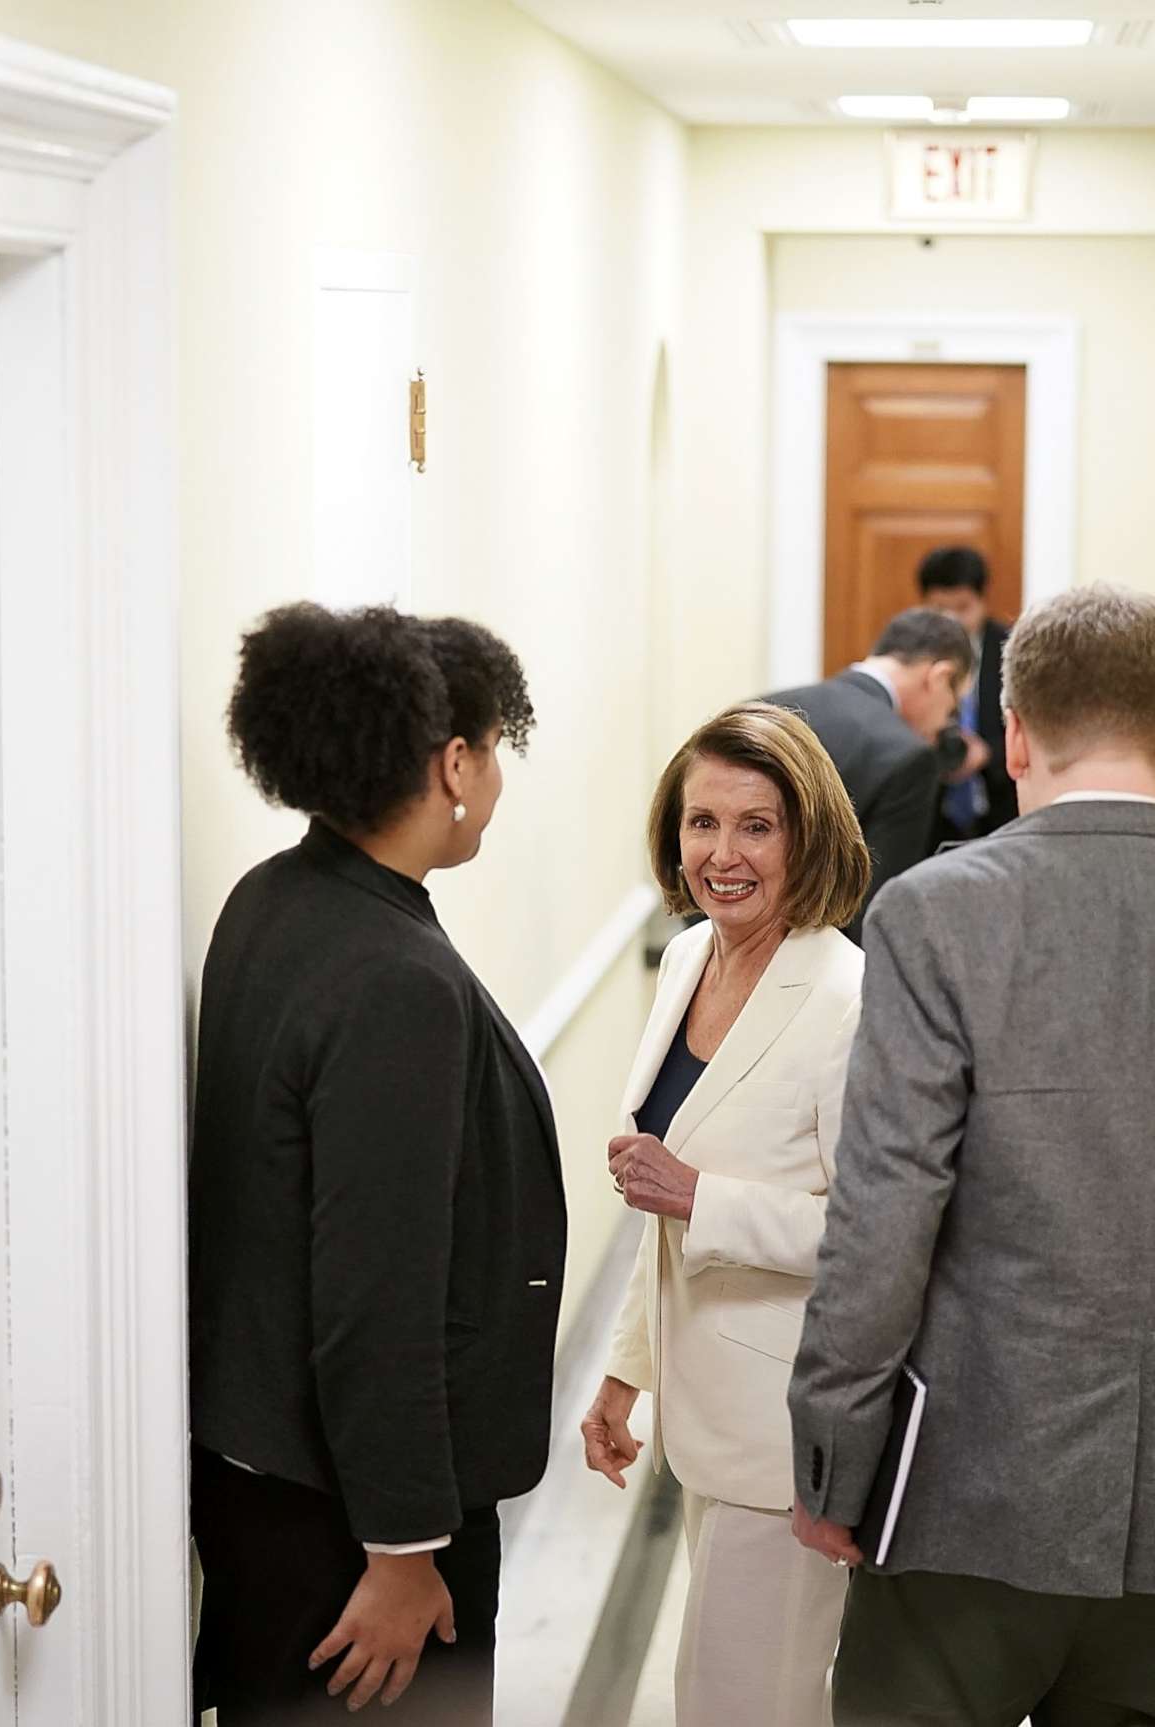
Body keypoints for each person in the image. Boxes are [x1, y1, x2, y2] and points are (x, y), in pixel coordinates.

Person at [787, 586, 1155, 1727]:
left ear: (1013, 733)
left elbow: (881, 1220)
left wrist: (831, 1461)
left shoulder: (933, 915)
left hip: (969, 1495)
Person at [188, 604, 566, 1724]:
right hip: (353, 1530)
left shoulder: (276, 896)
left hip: (267, 1478)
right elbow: (377, 1289)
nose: (496, 775)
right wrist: (405, 1551)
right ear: (455, 762)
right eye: (493, 748)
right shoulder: (394, 978)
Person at [579, 702, 872, 1727]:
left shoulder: (844, 995)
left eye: (757, 824)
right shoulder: (692, 958)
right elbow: (656, 1207)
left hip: (787, 1434)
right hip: (703, 1425)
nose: (723, 853)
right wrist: (624, 1373)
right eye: (702, 822)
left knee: (740, 1701)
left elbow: (869, 1235)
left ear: (809, 834)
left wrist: (702, 1195)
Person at [764, 608, 973, 932]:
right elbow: (874, 915)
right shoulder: (908, 758)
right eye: (953, 707)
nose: (945, 724)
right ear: (939, 677)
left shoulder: (761, 710)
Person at [915, 546, 1015, 843]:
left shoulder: (1012, 648)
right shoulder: (911, 655)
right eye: (939, 609)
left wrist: (987, 754)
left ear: (983, 601)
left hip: (999, 808)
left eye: (962, 608)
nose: (951, 620)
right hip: (931, 811)